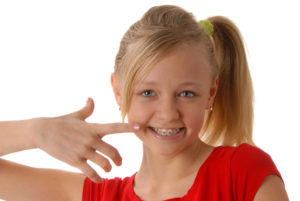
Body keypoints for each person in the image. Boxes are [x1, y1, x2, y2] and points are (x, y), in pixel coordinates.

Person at [0, 5, 289, 201]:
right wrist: (36, 132)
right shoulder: (102, 195)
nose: (167, 113)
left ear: (211, 92)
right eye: (148, 93)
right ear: (118, 91)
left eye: (186, 93)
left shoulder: (243, 173)